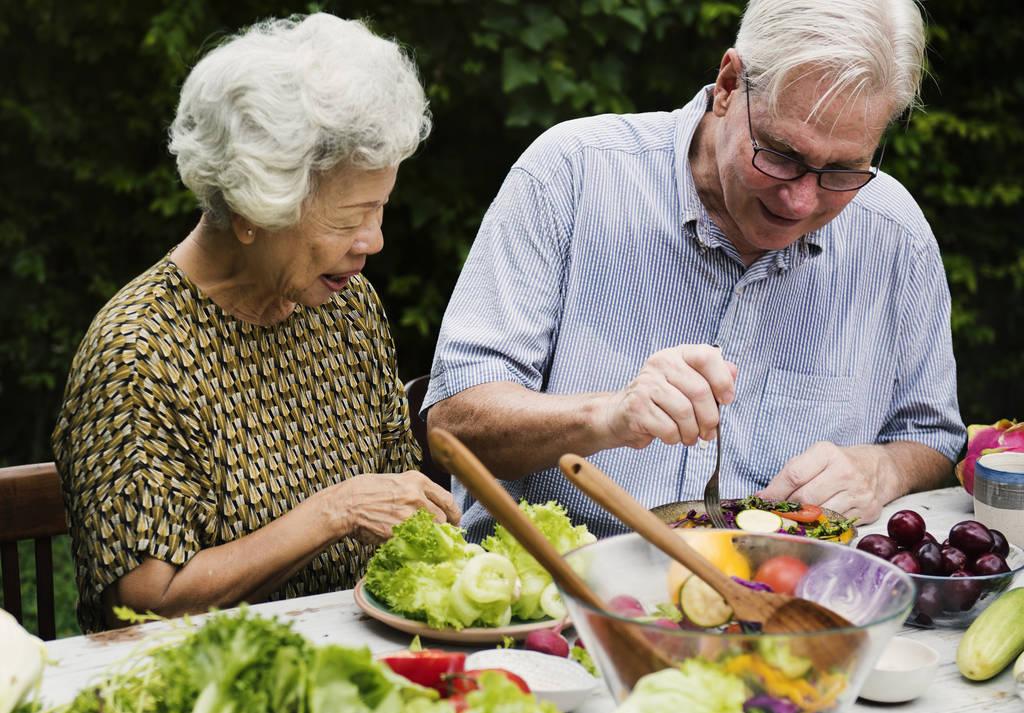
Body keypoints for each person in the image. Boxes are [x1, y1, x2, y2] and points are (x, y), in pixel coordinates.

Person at [425, 0, 965, 540]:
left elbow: (931, 438)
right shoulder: (573, 173)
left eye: (843, 170)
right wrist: (607, 417)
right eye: (780, 154)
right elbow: (454, 423)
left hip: (774, 595)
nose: (801, 201)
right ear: (729, 84)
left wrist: (886, 468)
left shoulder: (893, 232)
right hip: (554, 592)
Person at [52, 14, 459, 633]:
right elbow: (143, 606)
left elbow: (398, 502)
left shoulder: (347, 310)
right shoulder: (139, 355)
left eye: (380, 208)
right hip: (206, 692)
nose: (373, 241)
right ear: (253, 208)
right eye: (349, 218)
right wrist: (335, 510)